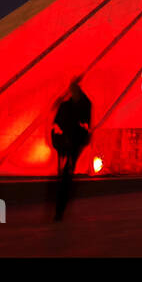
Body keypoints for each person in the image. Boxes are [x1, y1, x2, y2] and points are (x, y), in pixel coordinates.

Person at [51, 78, 92, 221]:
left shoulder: (80, 105)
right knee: (65, 175)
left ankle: (60, 209)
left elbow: (84, 125)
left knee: (65, 175)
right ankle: (59, 208)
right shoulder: (72, 106)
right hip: (66, 145)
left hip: (70, 144)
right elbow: (57, 124)